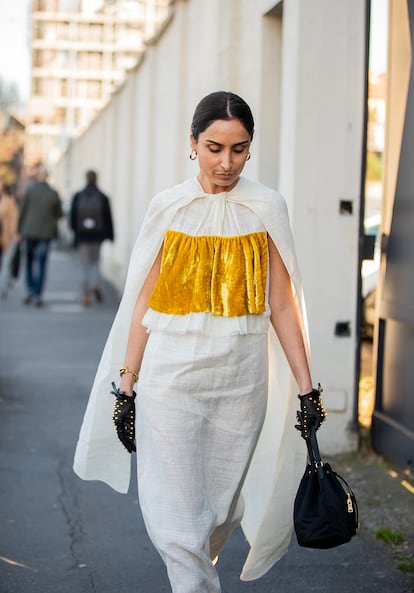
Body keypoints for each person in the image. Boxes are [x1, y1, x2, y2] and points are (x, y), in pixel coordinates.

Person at [73, 91, 326, 592]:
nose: (226, 162)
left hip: (240, 382)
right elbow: (142, 301)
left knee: (221, 508)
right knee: (177, 513)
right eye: (214, 147)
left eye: (239, 149)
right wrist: (127, 385)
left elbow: (283, 304)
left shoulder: (265, 207)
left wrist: (306, 387)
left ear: (251, 148)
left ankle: (194, 570)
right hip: (171, 380)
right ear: (192, 143)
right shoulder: (169, 207)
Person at [18, 164, 62, 307]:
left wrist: (19, 230)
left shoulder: (30, 191)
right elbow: (59, 214)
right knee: (42, 263)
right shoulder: (53, 193)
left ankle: (30, 289)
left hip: (29, 231)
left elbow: (22, 211)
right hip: (45, 233)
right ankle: (38, 293)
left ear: (38, 176)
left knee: (30, 260)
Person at [69, 170, 114, 306]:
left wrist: (75, 233)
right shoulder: (102, 197)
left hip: (82, 237)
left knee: (85, 266)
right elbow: (108, 218)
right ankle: (95, 284)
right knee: (95, 263)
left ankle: (86, 295)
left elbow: (72, 218)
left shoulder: (78, 196)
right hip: (97, 237)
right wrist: (110, 235)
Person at [0, 183, 19, 299]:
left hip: (6, 236)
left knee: (6, 263)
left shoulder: (8, 201)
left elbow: (14, 218)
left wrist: (15, 233)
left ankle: (3, 287)